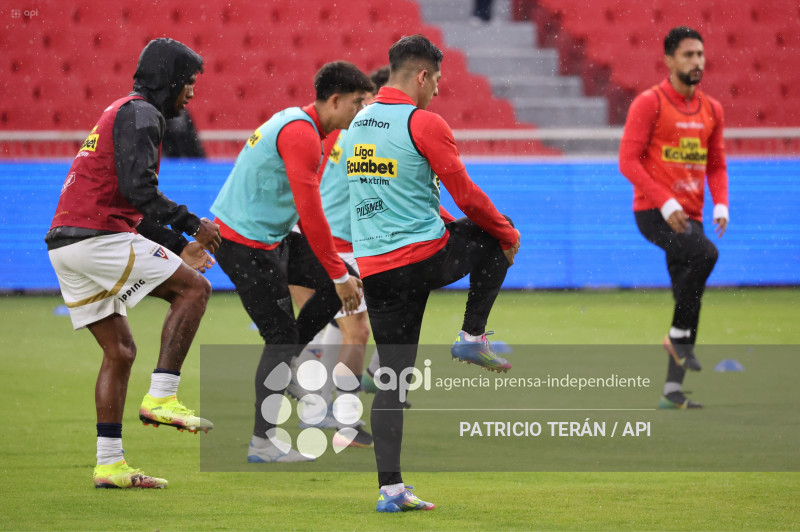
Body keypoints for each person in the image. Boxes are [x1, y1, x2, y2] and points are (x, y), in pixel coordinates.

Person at [341, 34, 521, 512]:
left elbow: (391, 195)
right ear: (422, 76)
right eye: (436, 80)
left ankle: (391, 490)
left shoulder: (358, 123)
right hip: (421, 259)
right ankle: (471, 335)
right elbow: (464, 191)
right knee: (489, 240)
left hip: (376, 271)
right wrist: (506, 232)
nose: (437, 90)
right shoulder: (424, 122)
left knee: (393, 380)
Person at [45, 38, 222, 489]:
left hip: (66, 244)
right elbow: (140, 189)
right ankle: (162, 395)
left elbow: (133, 203)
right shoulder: (143, 113)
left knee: (120, 351)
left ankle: (109, 464)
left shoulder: (123, 111)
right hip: (97, 236)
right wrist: (191, 224)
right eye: (190, 83)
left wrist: (176, 243)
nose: (193, 94)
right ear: (170, 79)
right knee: (195, 290)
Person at [210, 61, 373, 463]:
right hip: (245, 245)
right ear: (334, 100)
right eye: (356, 104)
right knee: (283, 336)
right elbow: (311, 210)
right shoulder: (301, 134)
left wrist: (338, 274)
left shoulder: (302, 126)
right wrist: (335, 272)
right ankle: (262, 443)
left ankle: (288, 365)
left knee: (341, 286)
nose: (359, 113)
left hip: (273, 239)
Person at [619, 26, 729, 410]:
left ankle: (671, 392)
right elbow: (627, 162)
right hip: (654, 212)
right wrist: (665, 202)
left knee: (689, 290)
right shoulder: (649, 103)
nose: (697, 62)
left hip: (693, 215)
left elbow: (716, 164)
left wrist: (721, 204)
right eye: (688, 55)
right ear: (668, 59)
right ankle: (678, 338)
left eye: (700, 54)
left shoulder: (712, 109)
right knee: (705, 257)